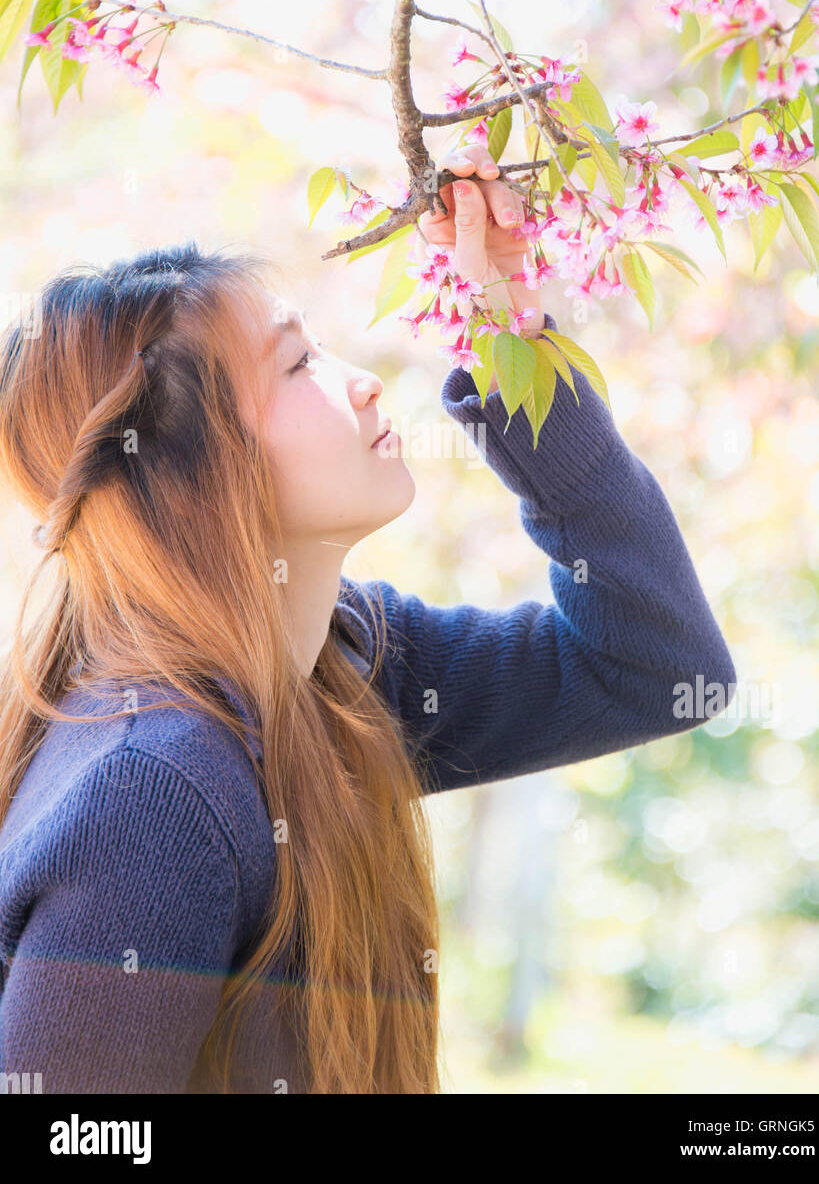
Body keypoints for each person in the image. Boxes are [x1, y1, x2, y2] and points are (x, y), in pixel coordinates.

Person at [0, 143, 736, 1094]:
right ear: (192, 476)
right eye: (299, 365)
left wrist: (510, 335)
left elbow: (660, 669)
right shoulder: (153, 799)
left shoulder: (348, 663)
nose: (363, 379)